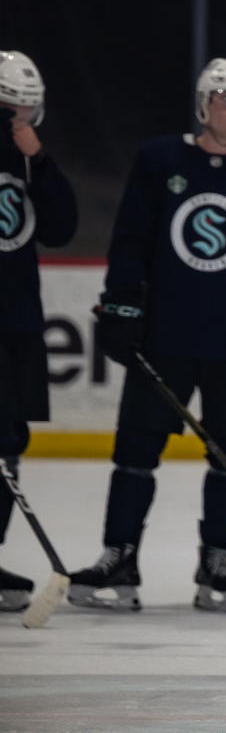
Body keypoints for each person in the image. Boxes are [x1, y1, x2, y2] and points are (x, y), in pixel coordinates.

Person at [71, 59, 226, 612]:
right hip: (165, 338)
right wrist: (123, 303)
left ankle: (216, 556)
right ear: (203, 104)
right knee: (135, 453)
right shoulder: (160, 160)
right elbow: (130, 239)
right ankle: (119, 554)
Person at [0, 51, 78, 611]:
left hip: (18, 322)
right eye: (8, 109)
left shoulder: (30, 160)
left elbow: (60, 228)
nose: (17, 119)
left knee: (9, 442)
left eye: (26, 109)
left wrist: (41, 163)